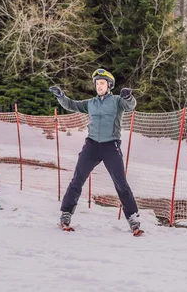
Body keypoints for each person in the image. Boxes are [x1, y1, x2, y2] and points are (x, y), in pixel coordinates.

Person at [49, 68, 143, 235]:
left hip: (110, 146)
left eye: (102, 83)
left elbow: (130, 106)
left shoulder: (116, 101)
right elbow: (71, 104)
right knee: (77, 179)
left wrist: (128, 96)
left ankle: (133, 219)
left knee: (121, 183)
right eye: (97, 83)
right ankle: (66, 214)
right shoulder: (90, 103)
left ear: (109, 85)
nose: (99, 86)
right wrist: (60, 96)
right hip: (92, 145)